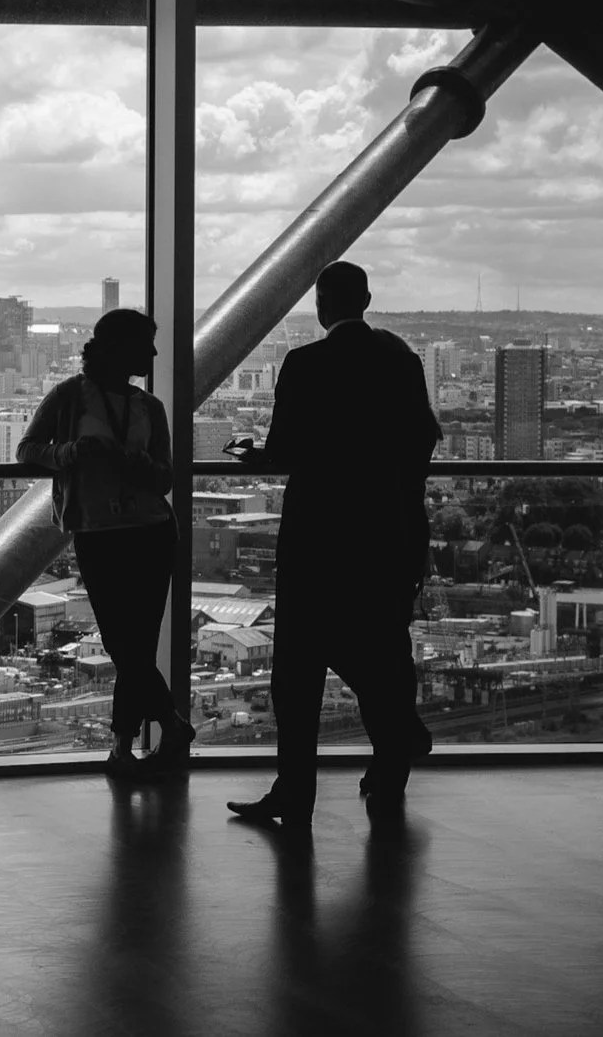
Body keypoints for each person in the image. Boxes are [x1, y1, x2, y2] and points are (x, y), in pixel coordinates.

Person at [226, 261, 440, 828]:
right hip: (386, 532)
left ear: (321, 305)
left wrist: (256, 456)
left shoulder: (305, 363)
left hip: (318, 535)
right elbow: (420, 441)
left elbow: (285, 450)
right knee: (382, 647)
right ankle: (392, 763)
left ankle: (295, 793)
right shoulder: (402, 363)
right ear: (366, 300)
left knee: (298, 671)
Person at [18, 308, 192, 780]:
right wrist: (74, 453)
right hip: (109, 533)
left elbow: (164, 477)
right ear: (118, 348)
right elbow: (28, 449)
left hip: (146, 532)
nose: (153, 353)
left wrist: (123, 460)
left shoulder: (149, 406)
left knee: (131, 646)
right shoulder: (69, 396)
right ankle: (168, 726)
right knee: (126, 645)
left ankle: (124, 746)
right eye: (145, 344)